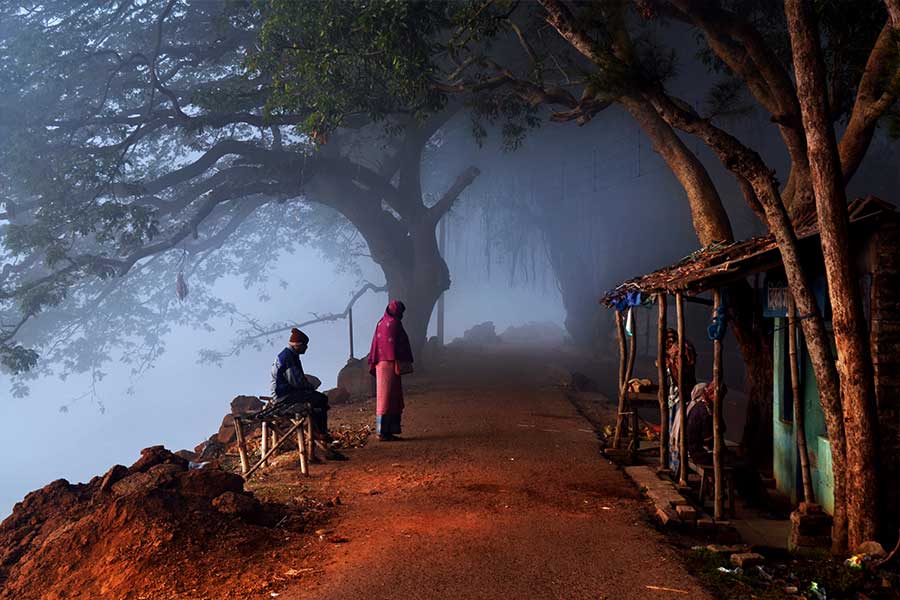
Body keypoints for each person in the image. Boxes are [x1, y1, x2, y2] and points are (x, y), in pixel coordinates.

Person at [270, 328, 346, 461]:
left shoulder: (289, 355)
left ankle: (318, 432)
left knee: (318, 400)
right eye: (305, 345)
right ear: (298, 345)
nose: (306, 348)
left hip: (287, 392)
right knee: (320, 399)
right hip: (284, 396)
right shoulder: (288, 357)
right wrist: (310, 386)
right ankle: (320, 433)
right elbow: (296, 381)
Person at [368, 300, 413, 441]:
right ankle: (384, 432)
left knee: (384, 397)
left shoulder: (381, 323)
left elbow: (377, 344)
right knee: (390, 398)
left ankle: (384, 431)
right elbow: (399, 343)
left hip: (380, 364)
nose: (402, 315)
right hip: (390, 363)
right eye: (401, 312)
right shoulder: (395, 323)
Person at [665, 328, 697, 474]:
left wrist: (671, 362)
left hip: (683, 396)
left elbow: (682, 375)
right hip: (673, 396)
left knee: (679, 432)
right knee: (672, 432)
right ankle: (674, 466)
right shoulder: (671, 351)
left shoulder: (682, 349)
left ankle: (678, 468)